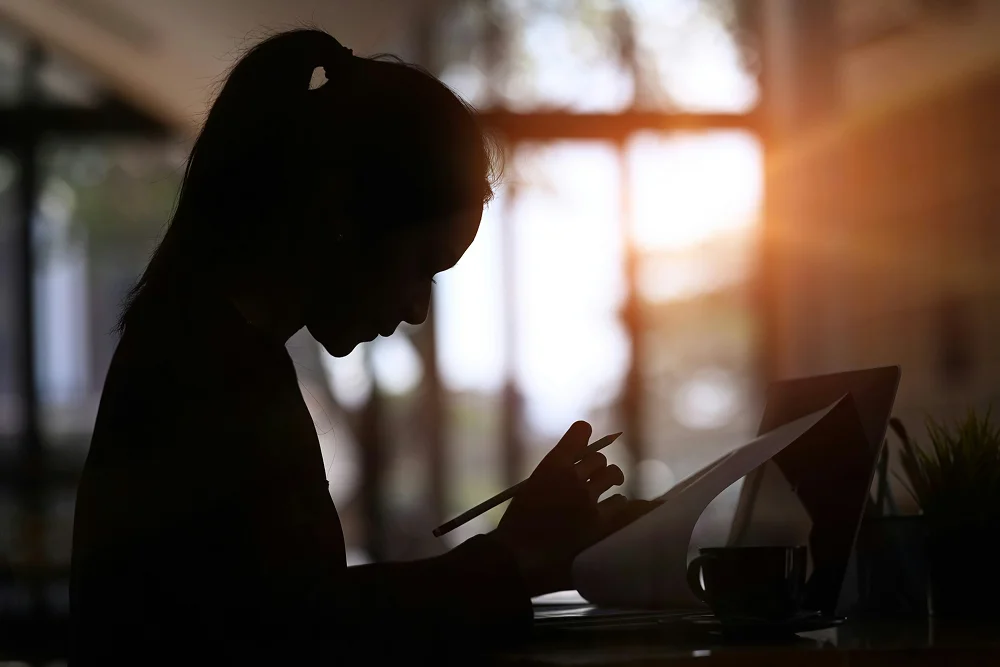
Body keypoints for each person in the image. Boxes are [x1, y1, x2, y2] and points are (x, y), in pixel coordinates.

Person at [70, 28, 644, 665]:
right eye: (421, 265)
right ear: (342, 220)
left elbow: (279, 612)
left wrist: (515, 562)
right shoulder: (208, 376)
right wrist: (513, 561)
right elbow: (299, 637)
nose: (417, 309)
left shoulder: (204, 345)